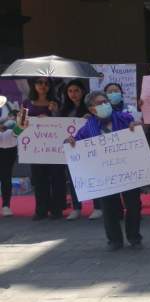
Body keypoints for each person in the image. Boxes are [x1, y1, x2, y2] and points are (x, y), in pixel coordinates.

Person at [69, 91, 143, 250]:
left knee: (133, 204)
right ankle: (114, 240)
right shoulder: (88, 127)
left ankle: (134, 236)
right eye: (100, 103)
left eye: (106, 101)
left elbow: (137, 132)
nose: (105, 105)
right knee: (109, 207)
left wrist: (135, 128)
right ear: (92, 109)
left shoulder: (125, 118)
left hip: (128, 170)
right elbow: (77, 142)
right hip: (104, 174)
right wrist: (70, 142)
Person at [59, 79, 103, 221]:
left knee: (93, 176)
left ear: (82, 91)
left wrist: (91, 117)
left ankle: (98, 207)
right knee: (73, 179)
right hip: (73, 150)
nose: (73, 94)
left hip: (89, 148)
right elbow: (58, 130)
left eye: (76, 90)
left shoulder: (89, 108)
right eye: (70, 91)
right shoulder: (64, 109)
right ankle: (76, 208)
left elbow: (99, 124)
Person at [24, 77, 66, 220]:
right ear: (34, 85)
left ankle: (57, 209)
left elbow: (63, 124)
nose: (43, 86)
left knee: (57, 178)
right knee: (39, 178)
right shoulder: (26, 103)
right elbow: (20, 125)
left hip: (54, 149)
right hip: (35, 149)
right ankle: (41, 210)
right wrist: (32, 120)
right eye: (39, 83)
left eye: (46, 83)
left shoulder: (57, 103)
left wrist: (54, 114)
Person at [0, 96, 18, 216]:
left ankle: (6, 205)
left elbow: (17, 120)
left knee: (6, 176)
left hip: (8, 146)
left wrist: (7, 124)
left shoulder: (9, 105)